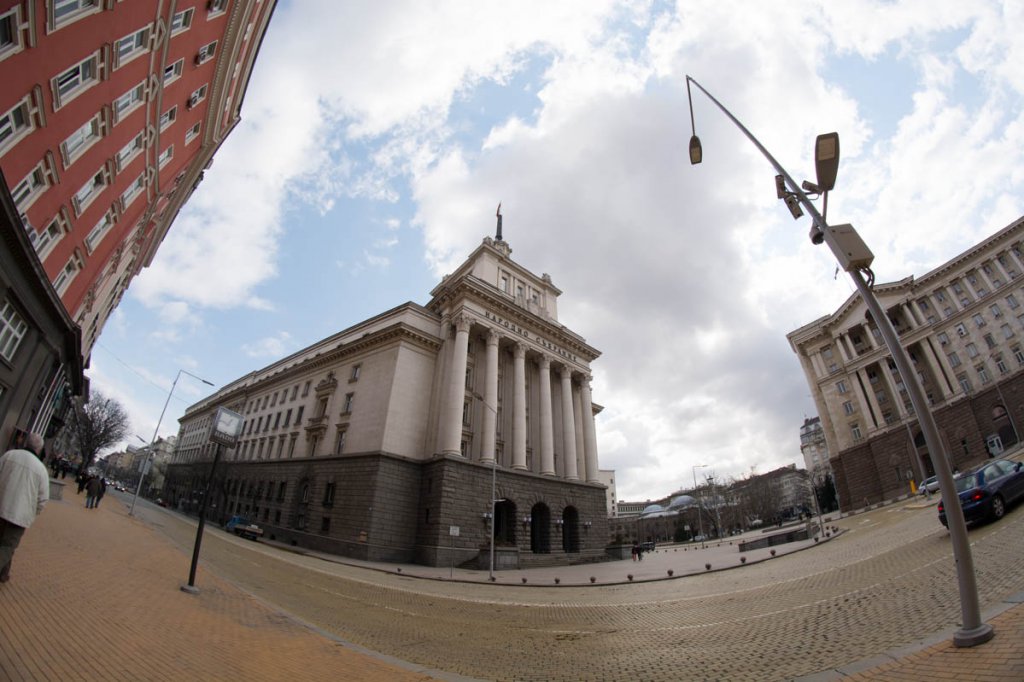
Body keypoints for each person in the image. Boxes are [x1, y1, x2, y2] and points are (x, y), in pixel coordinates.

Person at [0, 432, 50, 584]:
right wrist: (33, 513)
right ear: (39, 449)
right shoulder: (41, 469)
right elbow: (43, 499)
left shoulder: (9, 455)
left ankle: (4, 575)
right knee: (8, 546)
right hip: (20, 516)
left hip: (1, 506)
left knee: (5, 545)